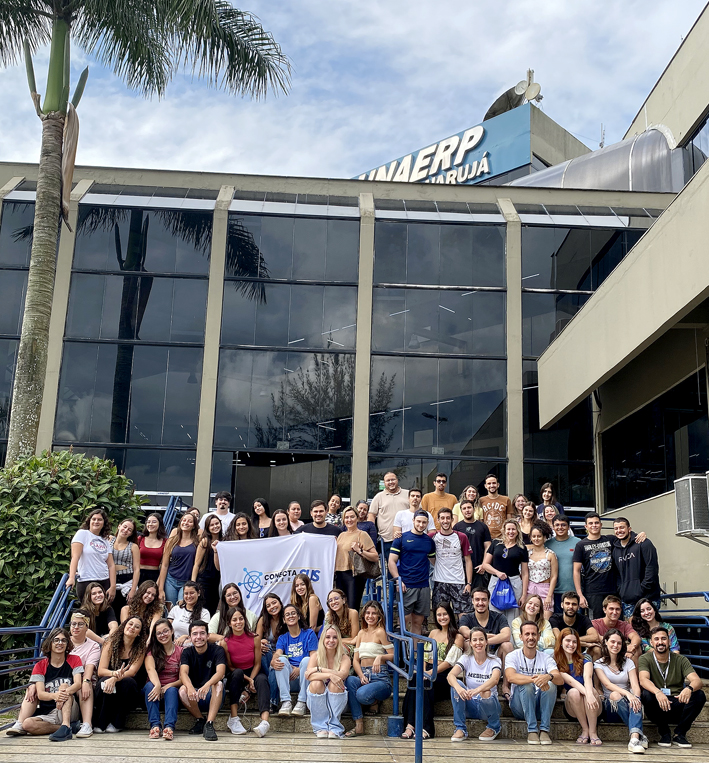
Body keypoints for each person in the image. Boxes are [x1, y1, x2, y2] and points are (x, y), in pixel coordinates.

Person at [6, 627, 83, 742]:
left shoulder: (74, 659)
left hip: (69, 708)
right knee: (28, 722)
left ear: (67, 643)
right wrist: (55, 696)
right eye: (56, 640)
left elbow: (77, 684)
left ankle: (66, 726)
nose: (60, 643)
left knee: (64, 686)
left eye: (64, 640)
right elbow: (41, 694)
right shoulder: (40, 665)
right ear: (50, 643)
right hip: (48, 712)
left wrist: (63, 693)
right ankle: (67, 728)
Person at [401, 602, 464, 739]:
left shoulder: (457, 636)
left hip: (445, 675)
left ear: (450, 615)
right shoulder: (433, 633)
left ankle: (426, 728)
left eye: (445, 614)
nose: (442, 617)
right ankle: (410, 725)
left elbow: (449, 662)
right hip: (428, 670)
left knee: (425, 684)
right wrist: (423, 671)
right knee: (414, 680)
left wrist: (430, 673)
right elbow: (425, 655)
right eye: (439, 615)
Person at [639, 626, 706, 748]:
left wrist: (689, 689)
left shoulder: (680, 659)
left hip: (677, 702)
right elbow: (643, 680)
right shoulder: (645, 659)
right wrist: (658, 692)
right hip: (657, 705)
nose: (660, 642)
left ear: (669, 641)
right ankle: (664, 733)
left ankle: (680, 734)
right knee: (646, 694)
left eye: (664, 639)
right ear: (651, 642)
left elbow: (697, 681)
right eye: (656, 639)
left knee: (699, 695)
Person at [505, 620, 559, 745]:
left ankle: (544, 730)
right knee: (527, 685)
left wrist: (548, 676)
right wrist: (537, 680)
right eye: (527, 634)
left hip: (539, 706)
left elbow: (559, 678)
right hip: (519, 707)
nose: (531, 637)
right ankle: (532, 730)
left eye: (534, 634)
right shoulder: (512, 656)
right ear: (521, 637)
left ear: (538, 636)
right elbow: (510, 677)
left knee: (551, 683)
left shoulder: (546, 657)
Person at [219, 607, 271, 738]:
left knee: (262, 679)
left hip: (253, 671)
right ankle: (234, 718)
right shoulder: (225, 642)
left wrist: (251, 681)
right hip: (236, 674)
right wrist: (248, 680)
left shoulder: (255, 638)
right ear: (229, 623)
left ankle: (265, 722)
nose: (238, 622)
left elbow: (257, 664)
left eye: (241, 619)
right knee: (237, 673)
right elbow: (230, 666)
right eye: (234, 620)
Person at [594, 628, 647, 754]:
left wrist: (635, 697)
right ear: (606, 642)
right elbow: (607, 684)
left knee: (636, 699)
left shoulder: (628, 662)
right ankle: (639, 735)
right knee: (615, 694)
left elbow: (635, 685)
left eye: (619, 643)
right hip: (610, 707)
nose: (615, 645)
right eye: (612, 642)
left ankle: (634, 739)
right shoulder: (598, 664)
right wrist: (628, 694)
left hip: (629, 705)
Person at [344, 601, 393, 737]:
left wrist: (381, 657)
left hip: (380, 678)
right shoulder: (361, 633)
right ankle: (359, 724)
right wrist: (360, 675)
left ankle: (375, 700)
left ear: (379, 616)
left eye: (374, 613)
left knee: (361, 694)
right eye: (368, 613)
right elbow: (355, 660)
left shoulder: (380, 632)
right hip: (364, 674)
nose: (370, 616)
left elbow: (394, 655)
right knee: (350, 680)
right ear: (363, 614)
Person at [448, 626, 502, 742]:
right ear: (470, 643)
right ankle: (460, 728)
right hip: (471, 704)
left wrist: (476, 690)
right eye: (475, 640)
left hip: (488, 706)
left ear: (486, 642)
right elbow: (450, 675)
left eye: (481, 639)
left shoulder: (494, 660)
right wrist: (459, 689)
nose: (478, 643)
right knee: (456, 685)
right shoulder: (466, 658)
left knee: (485, 691)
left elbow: (495, 680)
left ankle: (494, 726)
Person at [94, 616, 147, 733]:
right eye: (130, 624)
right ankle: (101, 722)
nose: (132, 627)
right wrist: (114, 674)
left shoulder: (140, 648)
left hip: (129, 687)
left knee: (127, 682)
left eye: (137, 627)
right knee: (103, 682)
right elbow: (101, 670)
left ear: (139, 633)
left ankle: (117, 723)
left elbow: (132, 672)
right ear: (124, 626)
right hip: (110, 680)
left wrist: (115, 679)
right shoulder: (110, 643)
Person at [458, 588, 514, 698]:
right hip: (476, 655)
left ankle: (505, 686)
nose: (480, 603)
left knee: (507, 645)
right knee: (466, 643)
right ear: (472, 601)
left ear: (488, 601)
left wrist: (481, 641)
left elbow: (506, 635)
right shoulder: (466, 618)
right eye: (477, 599)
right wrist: (491, 637)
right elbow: (465, 632)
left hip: (495, 655)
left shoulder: (499, 617)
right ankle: (468, 683)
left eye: (484, 599)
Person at [388, 510, 436, 635]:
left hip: (423, 585)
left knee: (418, 622)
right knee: (404, 620)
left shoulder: (429, 541)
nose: (421, 524)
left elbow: (434, 561)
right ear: (413, 521)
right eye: (418, 521)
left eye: (424, 522)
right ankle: (402, 647)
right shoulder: (401, 538)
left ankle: (414, 648)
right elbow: (391, 561)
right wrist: (398, 580)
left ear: (427, 523)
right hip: (406, 584)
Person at [178, 620, 226, 741]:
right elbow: (183, 673)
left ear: (208, 635)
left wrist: (207, 685)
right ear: (190, 637)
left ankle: (209, 724)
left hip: (212, 695)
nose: (198, 637)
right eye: (195, 634)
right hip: (194, 696)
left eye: (202, 633)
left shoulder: (217, 650)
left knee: (218, 684)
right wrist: (189, 687)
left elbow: (220, 673)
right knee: (182, 690)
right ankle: (200, 719)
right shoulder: (187, 652)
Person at [553, 627, 601, 745]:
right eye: (568, 641)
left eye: (574, 642)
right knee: (574, 692)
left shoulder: (585, 658)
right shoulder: (555, 661)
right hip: (573, 706)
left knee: (592, 691)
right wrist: (587, 694)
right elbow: (571, 682)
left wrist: (589, 694)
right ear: (561, 642)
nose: (571, 644)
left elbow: (587, 678)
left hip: (592, 705)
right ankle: (585, 730)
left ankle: (593, 732)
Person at [270, 604, 318, 717]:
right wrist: (273, 660)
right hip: (289, 679)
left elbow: (314, 656)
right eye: (287, 614)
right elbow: (278, 652)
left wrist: (299, 669)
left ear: (298, 616)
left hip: (306, 677)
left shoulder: (309, 634)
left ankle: (302, 702)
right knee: (280, 659)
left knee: (307, 660)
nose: (290, 616)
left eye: (293, 613)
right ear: (284, 620)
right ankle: (286, 702)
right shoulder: (283, 637)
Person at [304, 625, 351, 738]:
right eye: (328, 637)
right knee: (316, 683)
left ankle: (334, 726)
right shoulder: (316, 656)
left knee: (335, 684)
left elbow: (342, 675)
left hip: (338, 703)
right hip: (317, 702)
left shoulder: (344, 658)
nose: (331, 640)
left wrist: (319, 669)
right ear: (322, 639)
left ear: (338, 640)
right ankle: (320, 727)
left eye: (335, 637)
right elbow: (309, 676)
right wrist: (330, 675)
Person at [482, 518, 528, 627]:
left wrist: (524, 595)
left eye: (513, 529)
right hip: (496, 581)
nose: (511, 532)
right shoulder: (496, 543)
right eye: (508, 529)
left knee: (513, 614)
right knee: (494, 611)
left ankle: (511, 637)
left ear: (517, 531)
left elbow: (525, 573)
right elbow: (485, 564)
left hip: (514, 582)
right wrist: (497, 572)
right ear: (504, 530)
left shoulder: (522, 547)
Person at [611, 517, 661, 619]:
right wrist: (621, 590)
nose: (619, 531)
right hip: (628, 601)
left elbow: (651, 568)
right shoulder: (615, 550)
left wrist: (642, 589)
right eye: (616, 528)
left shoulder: (643, 543)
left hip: (648, 598)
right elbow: (617, 574)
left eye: (622, 527)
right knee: (633, 629)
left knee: (650, 627)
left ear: (629, 529)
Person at [143, 618, 183, 740]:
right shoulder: (151, 651)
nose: (163, 635)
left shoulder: (181, 651)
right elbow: (150, 669)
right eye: (159, 633)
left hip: (172, 693)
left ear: (172, 631)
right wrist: (158, 685)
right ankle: (155, 726)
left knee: (172, 690)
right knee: (150, 686)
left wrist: (168, 686)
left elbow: (183, 678)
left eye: (165, 631)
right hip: (153, 692)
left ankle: (169, 727)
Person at [429, 507, 473, 614]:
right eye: (442, 518)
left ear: (452, 519)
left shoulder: (461, 537)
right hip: (440, 581)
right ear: (438, 520)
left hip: (458, 581)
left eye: (448, 518)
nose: (445, 521)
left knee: (464, 614)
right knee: (441, 614)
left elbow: (468, 560)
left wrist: (469, 583)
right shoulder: (432, 537)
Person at [67, 508, 115, 603]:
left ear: (104, 523)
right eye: (94, 519)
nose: (96, 522)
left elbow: (111, 565)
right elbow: (75, 557)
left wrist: (113, 586)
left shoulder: (105, 540)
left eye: (99, 519)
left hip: (104, 581)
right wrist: (71, 577)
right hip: (86, 580)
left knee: (103, 610)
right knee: (87, 610)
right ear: (89, 521)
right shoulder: (82, 534)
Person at [335, 506, 378, 610]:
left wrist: (360, 550)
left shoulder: (362, 534)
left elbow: (375, 557)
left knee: (352, 607)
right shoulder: (341, 535)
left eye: (352, 517)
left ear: (357, 518)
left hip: (354, 575)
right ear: (343, 520)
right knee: (340, 607)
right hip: (339, 574)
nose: (349, 520)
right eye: (346, 517)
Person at [66, 610, 101, 738]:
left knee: (85, 684)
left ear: (87, 627)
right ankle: (20, 722)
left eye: (80, 624)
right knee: (33, 685)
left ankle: (87, 724)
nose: (76, 627)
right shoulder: (63, 642)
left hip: (81, 679)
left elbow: (89, 667)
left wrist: (86, 681)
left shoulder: (93, 646)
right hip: (64, 679)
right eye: (73, 624)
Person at [158, 512, 199, 606]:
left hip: (187, 581)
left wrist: (193, 584)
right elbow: (164, 565)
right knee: (171, 608)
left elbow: (196, 564)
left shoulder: (197, 542)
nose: (186, 523)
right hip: (171, 579)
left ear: (194, 525)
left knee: (183, 607)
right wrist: (160, 589)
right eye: (184, 520)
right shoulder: (171, 541)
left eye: (190, 521)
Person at [368, 472, 409, 558]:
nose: (391, 482)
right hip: (387, 539)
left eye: (393, 479)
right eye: (388, 480)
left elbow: (417, 512)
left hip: (407, 537)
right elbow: (372, 515)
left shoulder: (408, 494)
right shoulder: (379, 497)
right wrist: (371, 533)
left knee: (407, 563)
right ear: (384, 483)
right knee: (391, 564)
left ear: (397, 480)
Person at [590, 595, 642, 664]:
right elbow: (597, 638)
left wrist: (632, 647)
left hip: (619, 653)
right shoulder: (595, 623)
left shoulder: (624, 624)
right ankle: (594, 671)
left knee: (637, 649)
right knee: (596, 649)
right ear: (604, 609)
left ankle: (633, 671)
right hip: (602, 652)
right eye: (611, 609)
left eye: (617, 609)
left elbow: (635, 637)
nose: (614, 612)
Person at [453, 498, 491, 590]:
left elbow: (488, 547)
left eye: (469, 507)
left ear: (474, 509)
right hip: (462, 569)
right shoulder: (457, 527)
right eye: (464, 508)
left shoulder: (483, 526)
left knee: (480, 595)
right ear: (461, 511)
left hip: (479, 568)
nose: (467, 510)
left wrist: (484, 564)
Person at [549, 591, 600, 656]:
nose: (570, 607)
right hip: (561, 654)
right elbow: (559, 638)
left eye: (574, 604)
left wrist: (574, 640)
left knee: (597, 649)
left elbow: (595, 636)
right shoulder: (555, 619)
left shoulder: (583, 619)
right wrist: (584, 644)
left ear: (578, 607)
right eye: (567, 603)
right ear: (562, 605)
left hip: (579, 654)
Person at [545, 514, 578, 612]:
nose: (560, 527)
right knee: (557, 619)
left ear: (568, 527)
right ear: (553, 527)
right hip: (554, 591)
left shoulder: (578, 543)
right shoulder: (547, 544)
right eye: (557, 525)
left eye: (563, 525)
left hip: (573, 589)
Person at [192, 515, 222, 615]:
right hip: (204, 580)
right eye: (211, 525)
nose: (215, 526)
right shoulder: (204, 542)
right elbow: (196, 564)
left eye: (217, 523)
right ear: (207, 528)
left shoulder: (224, 541)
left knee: (213, 610)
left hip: (217, 580)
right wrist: (193, 583)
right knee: (203, 609)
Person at [110, 518, 140, 614]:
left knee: (124, 611)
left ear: (131, 533)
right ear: (119, 526)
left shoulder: (133, 546)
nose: (126, 530)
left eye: (129, 529)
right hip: (110, 580)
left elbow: (136, 569)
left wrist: (133, 590)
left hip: (127, 581)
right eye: (124, 527)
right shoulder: (109, 540)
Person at [526, 521, 557, 613]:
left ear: (544, 537)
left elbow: (554, 576)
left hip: (545, 589)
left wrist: (549, 595)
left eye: (539, 536)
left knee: (546, 617)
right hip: (530, 588)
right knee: (529, 618)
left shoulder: (550, 554)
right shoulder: (527, 554)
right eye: (534, 536)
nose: (536, 539)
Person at [256, 593, 286, 685]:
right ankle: (271, 677)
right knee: (263, 648)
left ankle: (272, 681)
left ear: (280, 603)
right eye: (268, 606)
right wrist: (260, 643)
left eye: (274, 603)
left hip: (283, 654)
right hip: (268, 655)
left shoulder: (286, 617)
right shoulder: (263, 620)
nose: (272, 607)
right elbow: (256, 640)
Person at [479, 474, 514, 540]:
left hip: (502, 537)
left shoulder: (506, 499)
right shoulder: (481, 501)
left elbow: (509, 520)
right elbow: (480, 519)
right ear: (485, 486)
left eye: (494, 483)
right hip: (486, 537)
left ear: (498, 485)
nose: (492, 485)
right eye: (489, 483)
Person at [138, 513, 167, 590]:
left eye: (154, 522)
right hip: (139, 574)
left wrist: (159, 582)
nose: (150, 524)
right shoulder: (140, 539)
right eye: (148, 522)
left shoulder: (165, 541)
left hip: (155, 575)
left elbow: (164, 565)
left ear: (160, 524)